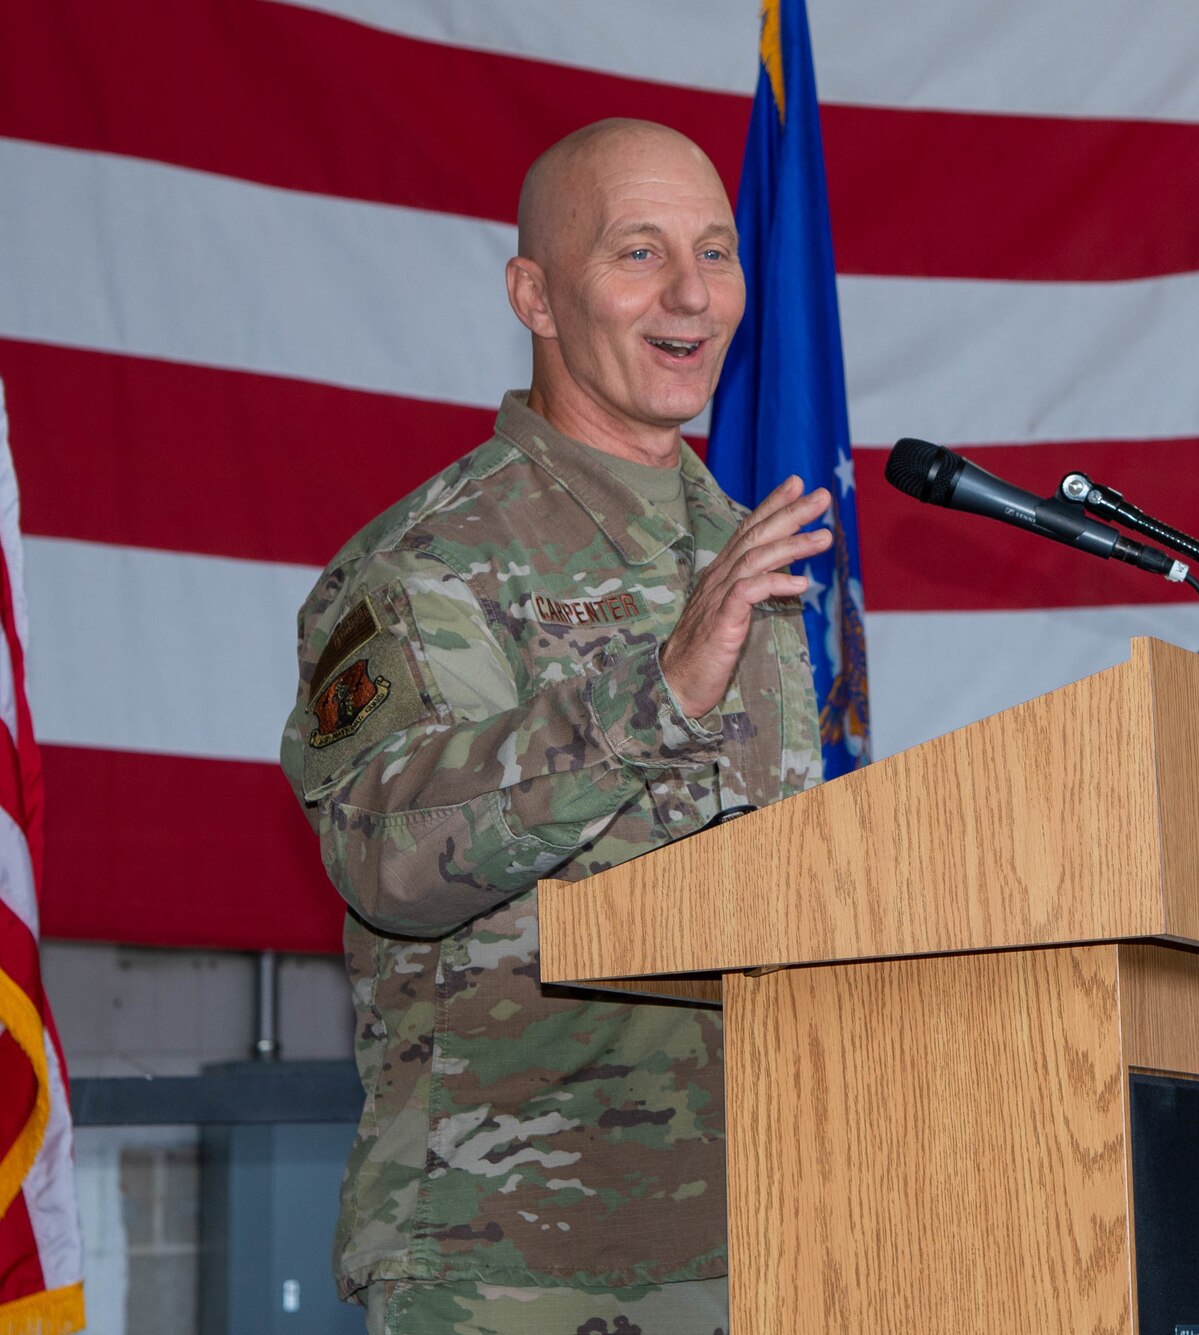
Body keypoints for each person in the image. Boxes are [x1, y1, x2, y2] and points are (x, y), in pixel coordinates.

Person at [278, 119, 828, 1334]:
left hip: (773, 1240)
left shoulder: (747, 551)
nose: (693, 293)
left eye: (716, 251)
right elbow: (386, 853)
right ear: (534, 293)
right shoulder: (429, 562)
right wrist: (657, 696)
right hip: (516, 1262)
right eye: (638, 253)